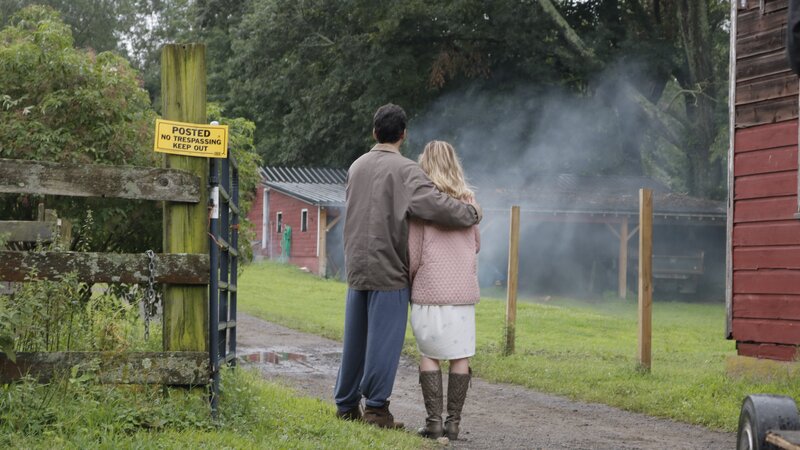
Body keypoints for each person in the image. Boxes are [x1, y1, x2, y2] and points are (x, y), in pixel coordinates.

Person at [334, 104, 482, 429]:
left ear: (375, 132)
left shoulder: (356, 166)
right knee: (383, 344)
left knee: (355, 339)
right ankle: (375, 409)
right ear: (404, 135)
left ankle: (346, 404)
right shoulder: (406, 171)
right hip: (389, 269)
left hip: (357, 266)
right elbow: (437, 206)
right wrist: (471, 213)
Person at [408, 141, 480, 441]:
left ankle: (433, 423)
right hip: (462, 292)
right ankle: (454, 424)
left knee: (430, 354)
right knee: (460, 355)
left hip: (429, 289)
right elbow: (477, 245)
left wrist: (410, 279)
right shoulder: (469, 201)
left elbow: (412, 251)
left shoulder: (422, 204)